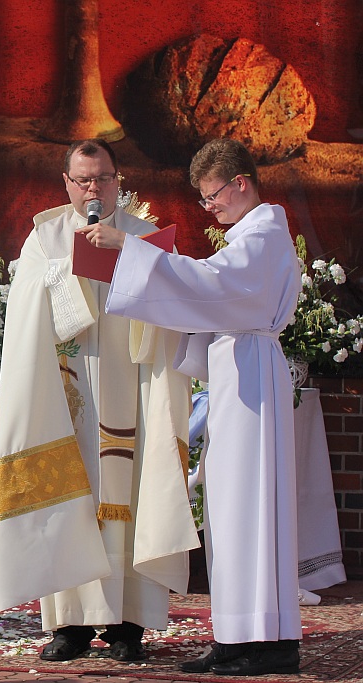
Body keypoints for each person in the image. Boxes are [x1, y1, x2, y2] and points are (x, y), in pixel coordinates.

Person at [80, 138, 302, 676]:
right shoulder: (250, 235)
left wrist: (130, 250)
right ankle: (241, 635)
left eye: (213, 196)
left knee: (252, 506)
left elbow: (214, 286)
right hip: (238, 374)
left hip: (252, 378)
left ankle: (264, 641)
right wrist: (152, 262)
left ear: (241, 182)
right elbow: (209, 289)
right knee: (232, 508)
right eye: (205, 200)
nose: (211, 208)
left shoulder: (265, 232)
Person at [0, 139, 200, 662]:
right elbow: (28, 306)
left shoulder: (144, 235)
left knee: (133, 495)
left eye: (102, 178)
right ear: (65, 182)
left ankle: (131, 625)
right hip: (71, 392)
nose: (93, 189)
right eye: (83, 179)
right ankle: (72, 627)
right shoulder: (45, 238)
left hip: (134, 385)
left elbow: (173, 304)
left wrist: (128, 254)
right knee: (77, 500)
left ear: (118, 180)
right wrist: (69, 269)